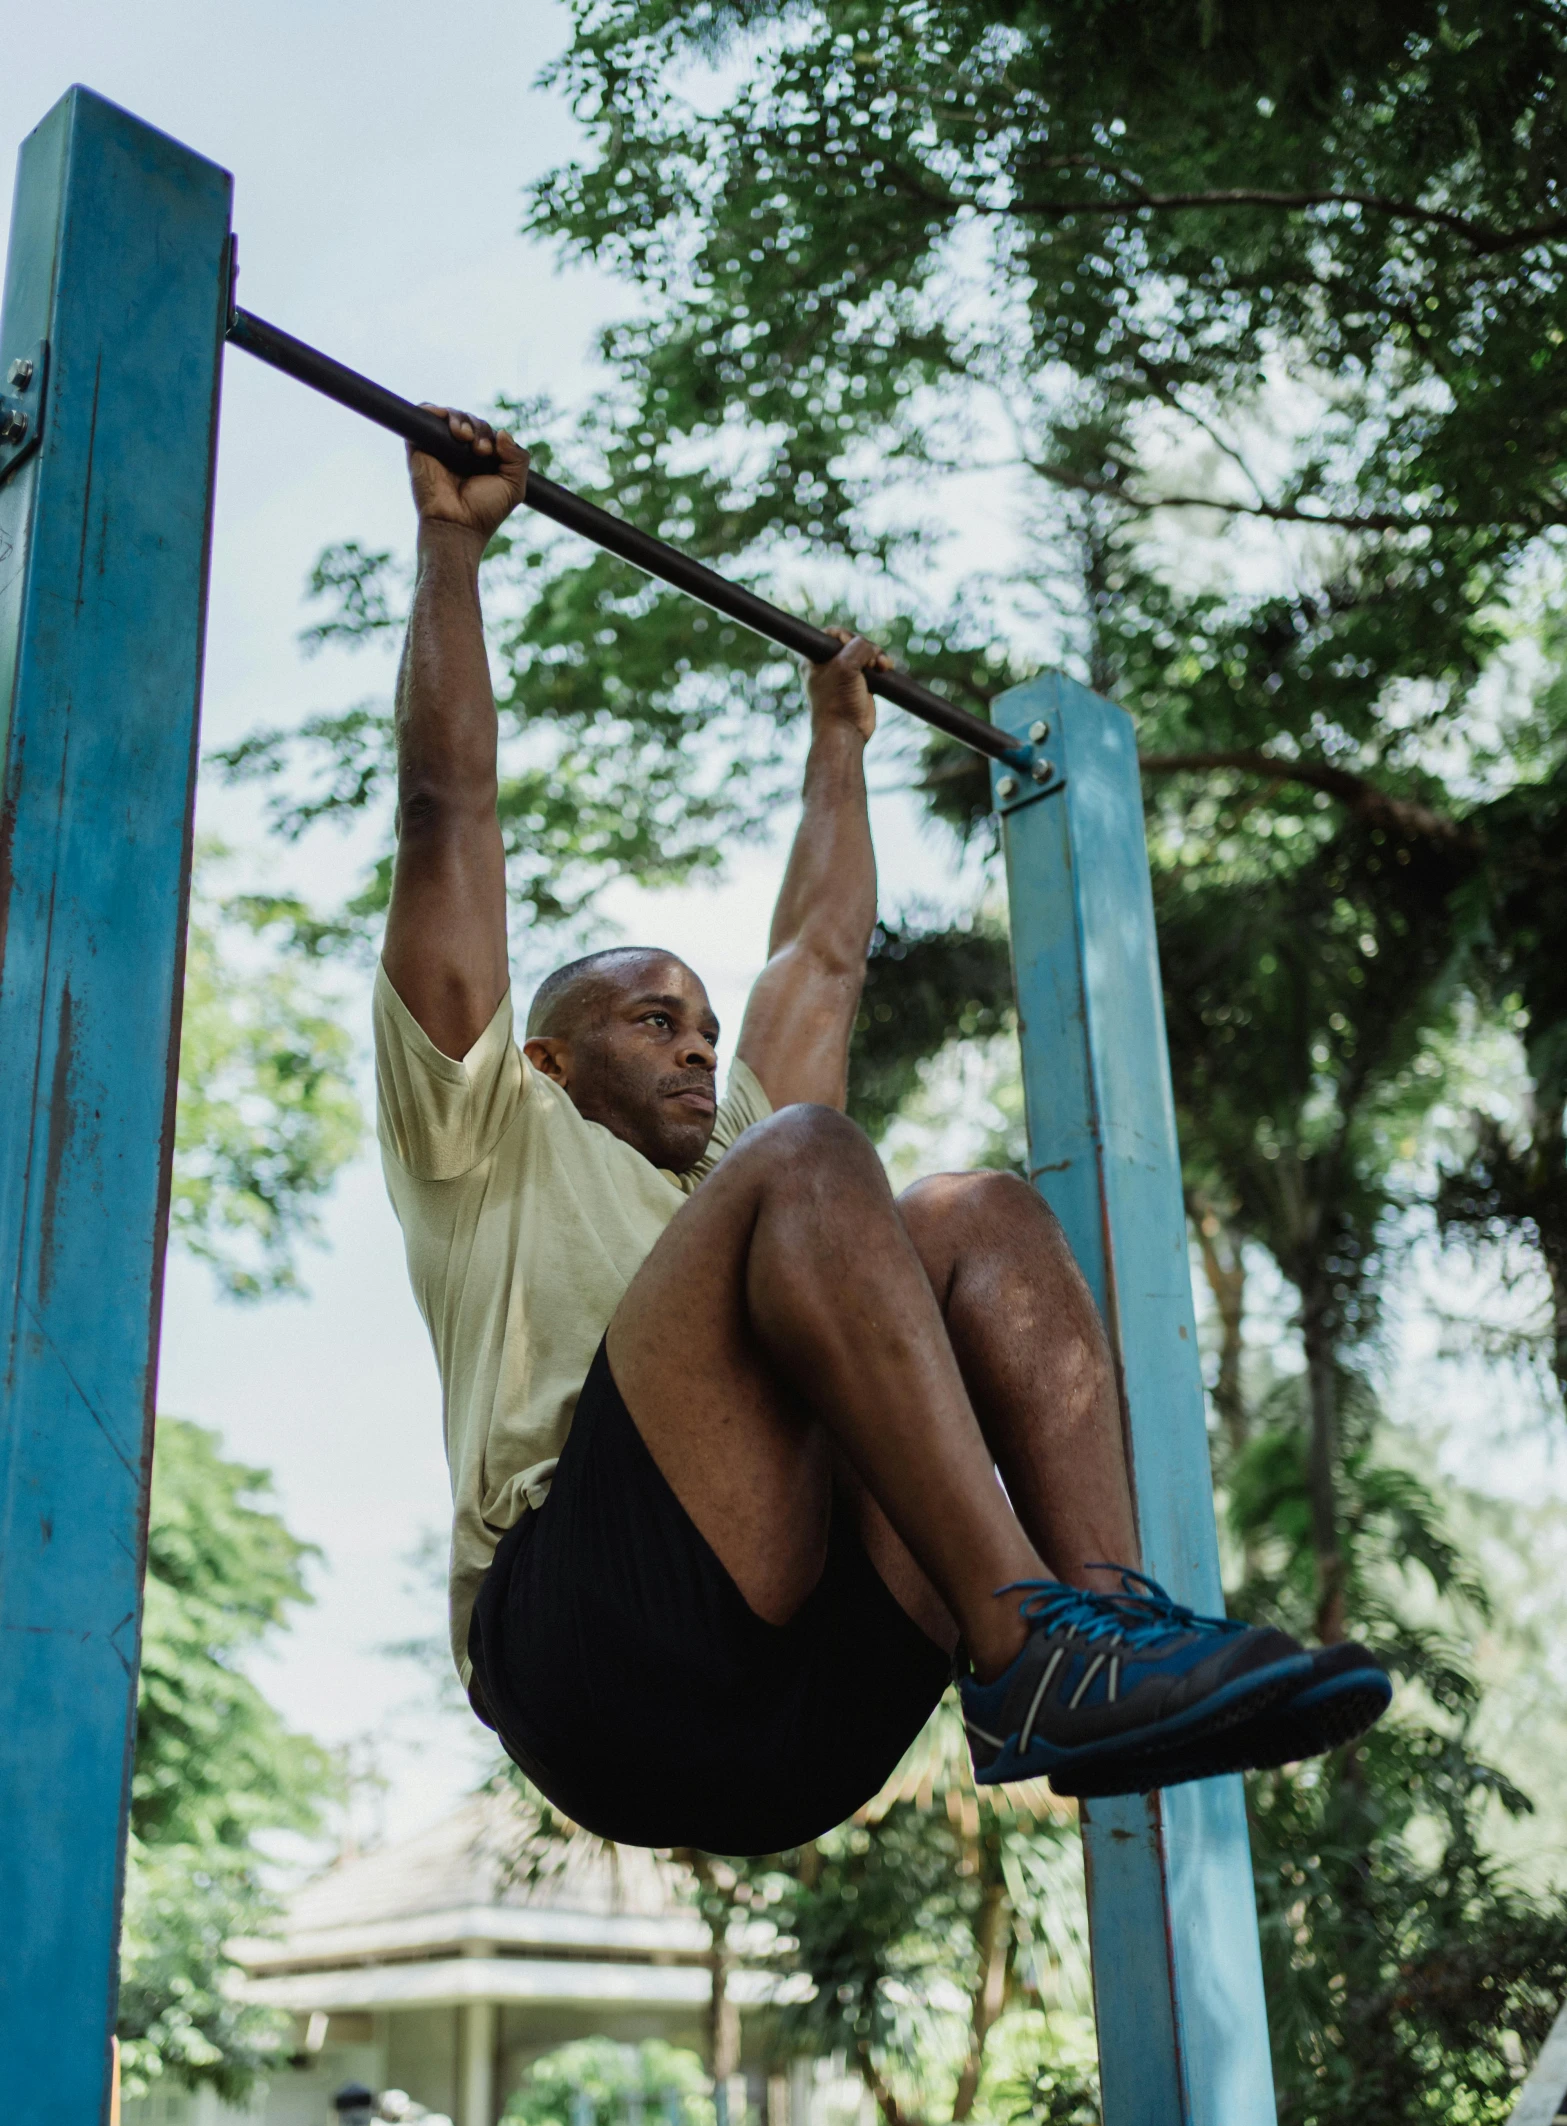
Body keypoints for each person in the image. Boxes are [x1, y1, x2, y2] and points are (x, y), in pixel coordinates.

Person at [373, 410, 1391, 1856]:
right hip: (596, 1661)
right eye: (652, 1019)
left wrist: (835, 744)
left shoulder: (732, 1162)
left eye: (703, 1025)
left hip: (802, 1729)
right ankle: (1029, 1636)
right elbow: (445, 813)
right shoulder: (483, 1129)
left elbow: (821, 959)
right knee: (809, 1149)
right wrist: (451, 548)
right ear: (548, 1053)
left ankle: (1091, 1638)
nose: (694, 1042)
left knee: (969, 1209)